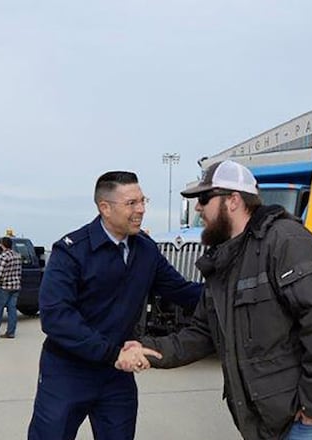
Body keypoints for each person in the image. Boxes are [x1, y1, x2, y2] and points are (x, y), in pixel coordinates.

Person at [119, 160, 312, 440]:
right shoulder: (225, 261)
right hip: (278, 419)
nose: (199, 208)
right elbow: (200, 334)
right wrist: (146, 350)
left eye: (204, 199)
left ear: (233, 201)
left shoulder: (287, 242)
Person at [27, 171, 203, 440]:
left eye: (143, 201)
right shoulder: (71, 252)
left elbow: (183, 292)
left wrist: (234, 291)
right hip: (67, 372)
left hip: (115, 377)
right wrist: (112, 353)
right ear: (105, 208)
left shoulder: (145, 251)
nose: (141, 210)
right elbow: (56, 317)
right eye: (132, 203)